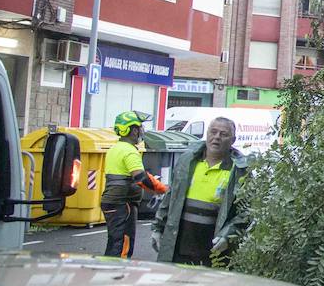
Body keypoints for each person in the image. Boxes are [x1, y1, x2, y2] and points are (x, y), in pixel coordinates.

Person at [152, 117, 249, 266]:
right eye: (213, 132)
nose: (217, 137)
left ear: (233, 140)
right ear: (207, 134)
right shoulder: (187, 161)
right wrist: (157, 228)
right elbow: (170, 198)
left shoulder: (240, 171)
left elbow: (246, 212)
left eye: (223, 134)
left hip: (213, 253)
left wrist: (227, 237)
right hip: (178, 248)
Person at [101, 111, 168, 258]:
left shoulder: (116, 148)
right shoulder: (129, 152)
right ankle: (117, 273)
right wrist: (163, 189)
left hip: (112, 202)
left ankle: (106, 269)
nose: (141, 131)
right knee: (123, 243)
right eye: (139, 127)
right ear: (133, 130)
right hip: (123, 204)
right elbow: (141, 178)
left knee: (114, 241)